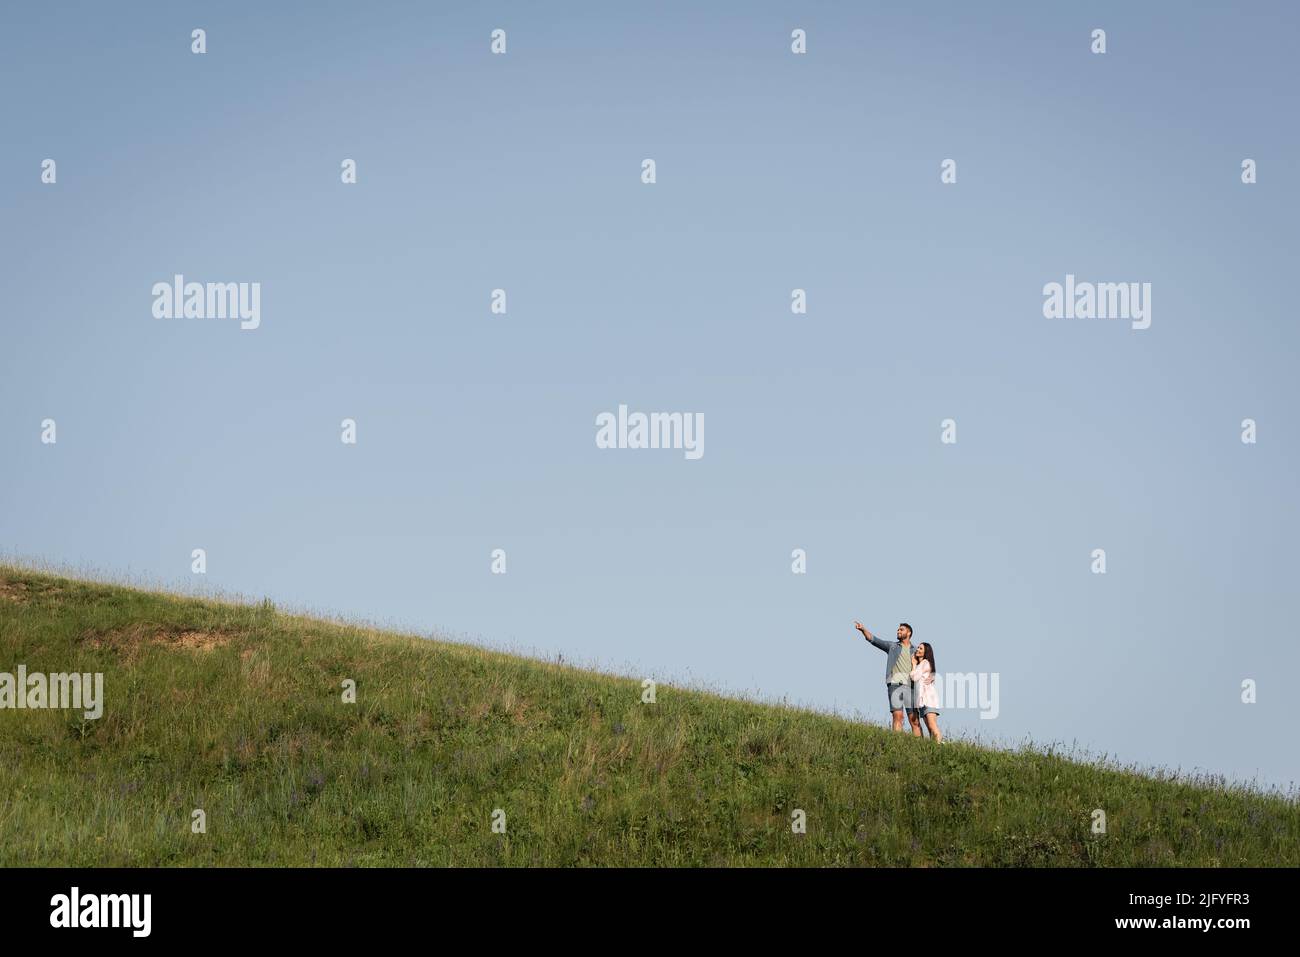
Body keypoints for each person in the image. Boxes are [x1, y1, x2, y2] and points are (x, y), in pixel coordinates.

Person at [853, 621, 921, 733]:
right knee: (898, 716)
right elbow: (874, 640)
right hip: (895, 685)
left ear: (909, 633)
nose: (898, 631)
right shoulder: (892, 646)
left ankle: (919, 746)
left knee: (914, 720)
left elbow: (925, 666)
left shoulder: (916, 650)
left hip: (911, 687)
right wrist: (863, 630)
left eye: (901, 629)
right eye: (898, 629)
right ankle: (896, 742)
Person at [910, 642, 942, 743]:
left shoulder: (925, 663)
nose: (917, 650)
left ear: (925, 652)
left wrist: (913, 664)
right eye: (918, 648)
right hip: (923, 701)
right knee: (929, 727)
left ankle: (940, 745)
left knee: (932, 725)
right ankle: (934, 747)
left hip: (929, 700)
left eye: (920, 649)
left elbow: (914, 677)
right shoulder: (922, 664)